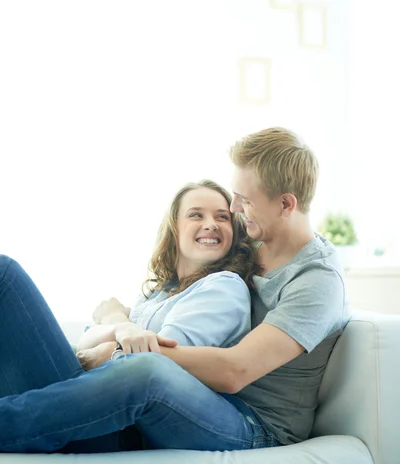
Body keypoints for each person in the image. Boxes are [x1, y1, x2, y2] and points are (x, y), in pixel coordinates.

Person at [0, 127, 350, 454]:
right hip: (188, 401)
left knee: (149, 371)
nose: (234, 209)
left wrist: (117, 354)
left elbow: (235, 371)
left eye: (244, 200)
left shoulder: (315, 281)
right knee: (6, 274)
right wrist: (119, 325)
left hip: (251, 425)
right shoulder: (250, 242)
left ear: (286, 205)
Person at [75, 179, 260, 367]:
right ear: (174, 228)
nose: (211, 225)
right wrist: (118, 324)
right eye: (196, 215)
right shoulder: (157, 293)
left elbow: (156, 360)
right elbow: (84, 345)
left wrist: (111, 338)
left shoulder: (225, 286)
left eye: (222, 217)